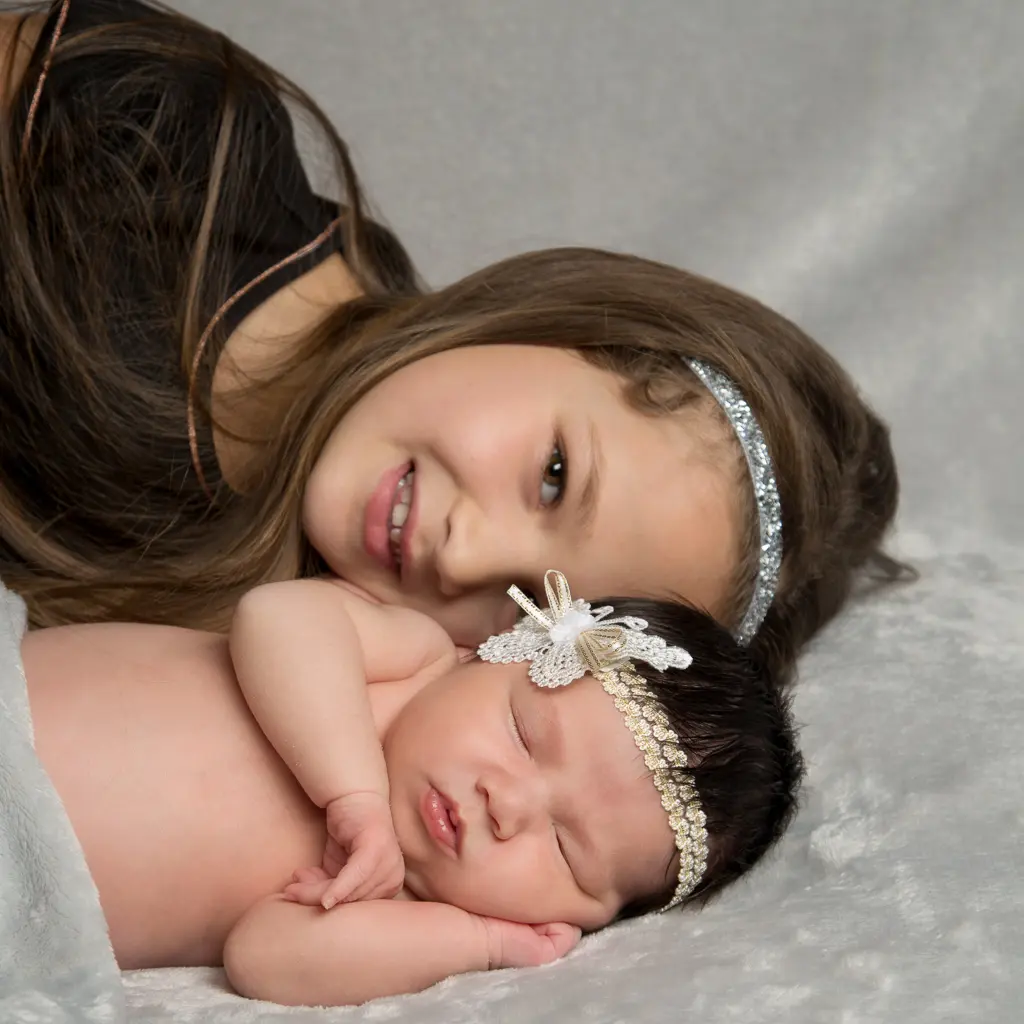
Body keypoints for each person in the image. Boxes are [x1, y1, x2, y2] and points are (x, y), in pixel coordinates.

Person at [0, 1, 902, 683]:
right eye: (554, 475)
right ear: (561, 326)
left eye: (528, 608)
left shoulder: (281, 651)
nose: (463, 557)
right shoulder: (156, 131)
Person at [18, 569, 803, 1005]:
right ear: (489, 653)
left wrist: (482, 942)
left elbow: (264, 957)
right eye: (524, 736)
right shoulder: (411, 657)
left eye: (565, 850)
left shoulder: (407, 903)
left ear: (586, 919)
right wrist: (351, 795)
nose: (509, 806)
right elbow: (278, 619)